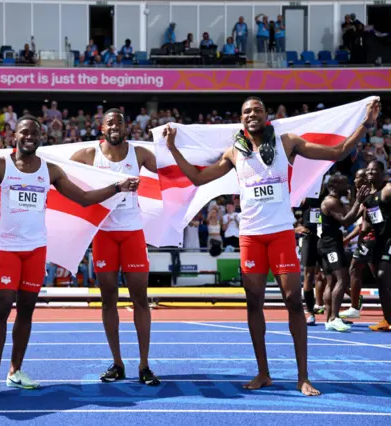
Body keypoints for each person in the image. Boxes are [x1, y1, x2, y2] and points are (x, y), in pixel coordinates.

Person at [163, 96, 380, 396]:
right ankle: (263, 372)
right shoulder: (234, 153)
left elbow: (337, 151)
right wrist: (173, 148)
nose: (252, 114)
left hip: (280, 234)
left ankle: (303, 376)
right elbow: (198, 177)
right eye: (246, 111)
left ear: (267, 116)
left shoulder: (287, 142)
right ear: (241, 119)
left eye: (257, 110)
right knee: (254, 304)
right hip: (251, 237)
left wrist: (365, 125)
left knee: (293, 301)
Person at [0, 115, 139, 398]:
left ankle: (16, 371)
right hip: (8, 249)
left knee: (26, 311)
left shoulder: (49, 171)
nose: (29, 137)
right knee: (1, 308)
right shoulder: (0, 165)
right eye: (24, 132)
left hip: (36, 251)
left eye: (35, 134)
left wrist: (117, 187)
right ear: (14, 135)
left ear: (41, 138)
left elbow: (84, 199)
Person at [69, 108, 160, 386]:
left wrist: (171, 144)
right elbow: (54, 167)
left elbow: (171, 172)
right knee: (108, 299)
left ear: (126, 127)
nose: (115, 126)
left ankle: (144, 365)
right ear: (102, 128)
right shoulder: (88, 155)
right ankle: (118, 363)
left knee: (140, 299)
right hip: (104, 234)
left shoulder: (140, 154)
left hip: (132, 233)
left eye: (120, 121)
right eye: (110, 122)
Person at [317, 174, 368, 331]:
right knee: (342, 279)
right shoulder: (331, 201)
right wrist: (359, 202)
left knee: (331, 281)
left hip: (328, 244)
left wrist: (360, 206)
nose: (347, 187)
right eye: (344, 184)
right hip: (330, 245)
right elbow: (346, 221)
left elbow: (350, 216)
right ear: (333, 186)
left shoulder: (334, 201)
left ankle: (329, 319)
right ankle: (334, 317)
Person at [363, 160, 391, 331]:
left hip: (390, 240)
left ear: (382, 172)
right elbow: (367, 223)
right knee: (381, 282)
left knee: (382, 276)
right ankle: (387, 319)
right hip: (377, 241)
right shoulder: (367, 194)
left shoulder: (387, 190)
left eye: (374, 170)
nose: (371, 172)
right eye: (368, 169)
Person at [341, 169, 372, 319]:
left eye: (357, 178)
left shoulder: (368, 196)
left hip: (370, 240)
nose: (354, 181)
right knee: (379, 275)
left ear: (365, 179)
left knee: (354, 269)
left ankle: (354, 307)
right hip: (368, 239)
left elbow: (357, 222)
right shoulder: (365, 195)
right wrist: (347, 239)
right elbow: (362, 224)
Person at [295, 197, 324, 325]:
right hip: (309, 237)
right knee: (309, 275)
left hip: (326, 238)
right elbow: (287, 208)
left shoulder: (329, 192)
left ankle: (333, 316)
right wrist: (296, 226)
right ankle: (311, 313)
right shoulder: (305, 194)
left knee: (329, 275)